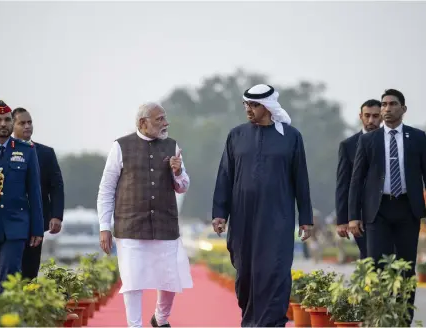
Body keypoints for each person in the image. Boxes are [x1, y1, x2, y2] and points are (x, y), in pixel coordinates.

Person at [212, 84, 313, 327]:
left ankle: (273, 323)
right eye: (246, 104)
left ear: (268, 107)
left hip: (278, 218)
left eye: (254, 105)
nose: (248, 109)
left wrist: (306, 218)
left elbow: (301, 180)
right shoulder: (236, 135)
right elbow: (225, 175)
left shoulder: (291, 137)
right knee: (245, 275)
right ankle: (250, 322)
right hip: (243, 219)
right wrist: (219, 214)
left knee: (275, 273)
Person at [97, 102, 193, 328]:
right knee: (132, 281)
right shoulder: (121, 146)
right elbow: (107, 188)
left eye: (165, 118)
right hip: (130, 225)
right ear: (143, 123)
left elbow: (183, 186)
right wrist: (104, 226)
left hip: (165, 225)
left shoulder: (172, 145)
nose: (165, 123)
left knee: (170, 279)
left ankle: (160, 319)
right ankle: (135, 325)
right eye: (159, 119)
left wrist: (178, 172)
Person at [348, 89, 426, 324]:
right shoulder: (368, 140)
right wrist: (353, 216)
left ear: (403, 109)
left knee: (406, 268)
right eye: (384, 104)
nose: (387, 108)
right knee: (377, 268)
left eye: (393, 104)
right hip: (377, 211)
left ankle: (403, 319)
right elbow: (356, 179)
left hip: (407, 209)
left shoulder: (418, 137)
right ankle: (378, 318)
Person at [0, 100, 43, 296]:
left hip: (15, 225)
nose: (3, 124)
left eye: (6, 119)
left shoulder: (26, 151)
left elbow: (34, 191)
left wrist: (37, 228)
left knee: (10, 275)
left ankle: (9, 321)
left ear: (12, 122)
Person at [12, 107, 65, 280]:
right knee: (8, 270)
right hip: (8, 221)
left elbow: (56, 186)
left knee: (29, 271)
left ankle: (28, 305)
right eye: (22, 123)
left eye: (29, 122)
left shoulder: (45, 153)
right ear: (12, 125)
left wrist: (56, 216)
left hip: (35, 222)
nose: (27, 126)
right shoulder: (2, 152)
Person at [335, 99, 382, 259]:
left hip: (388, 210)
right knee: (369, 257)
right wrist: (342, 219)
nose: (371, 120)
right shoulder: (348, 145)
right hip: (361, 214)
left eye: (375, 116)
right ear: (360, 116)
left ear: (382, 117)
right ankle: (369, 284)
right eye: (367, 115)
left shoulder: (391, 142)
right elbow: (343, 183)